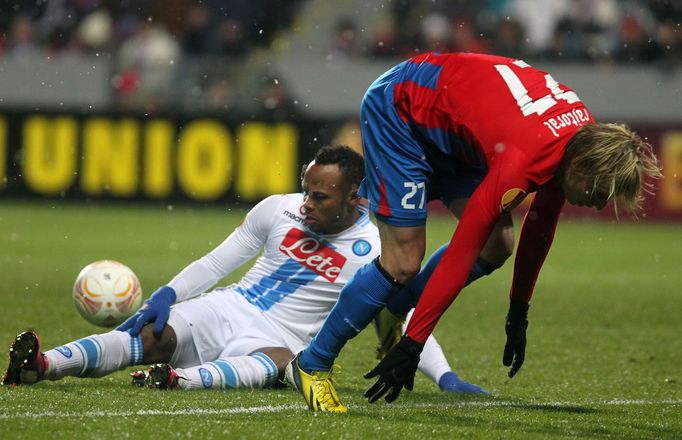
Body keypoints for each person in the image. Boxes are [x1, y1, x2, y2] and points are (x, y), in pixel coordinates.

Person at [287, 52, 662, 412]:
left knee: (498, 244)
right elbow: (462, 248)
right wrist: (415, 343)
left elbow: (541, 222)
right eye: (598, 193)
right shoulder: (523, 158)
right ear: (580, 167)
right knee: (403, 261)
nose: (598, 204)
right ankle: (313, 363)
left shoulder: (585, 142)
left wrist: (519, 311)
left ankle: (393, 310)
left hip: (456, 133)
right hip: (402, 110)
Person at [2, 145, 483, 396]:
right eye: (306, 189)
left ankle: (177, 382)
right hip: (229, 306)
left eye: (320, 196)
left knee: (277, 362)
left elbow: (407, 312)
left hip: (282, 340)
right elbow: (218, 261)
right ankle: (43, 366)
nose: (307, 203)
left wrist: (444, 378)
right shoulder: (278, 209)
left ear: (355, 197)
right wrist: (165, 295)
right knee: (152, 336)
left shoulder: (374, 248)